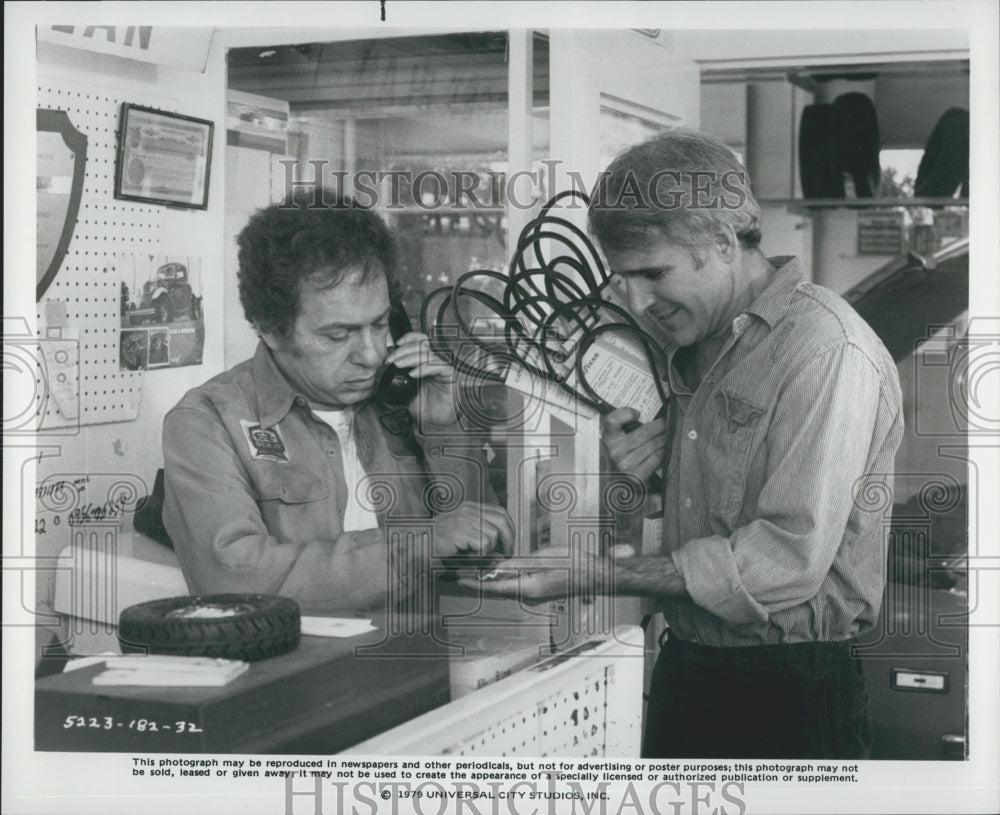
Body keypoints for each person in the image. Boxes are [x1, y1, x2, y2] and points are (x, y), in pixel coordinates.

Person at [474, 130, 903, 759]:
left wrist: (593, 575)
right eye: (624, 281)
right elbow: (707, 512)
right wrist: (648, 479)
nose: (640, 301)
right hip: (690, 669)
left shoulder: (825, 348)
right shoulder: (692, 347)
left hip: (792, 689)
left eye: (654, 274)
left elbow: (787, 556)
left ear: (723, 243)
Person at [162, 192, 513, 616]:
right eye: (338, 335)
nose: (370, 354)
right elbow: (237, 582)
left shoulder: (407, 398)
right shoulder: (206, 423)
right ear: (271, 330)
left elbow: (483, 553)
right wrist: (416, 546)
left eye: (380, 324)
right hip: (297, 674)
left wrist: (444, 431)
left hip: (421, 659)